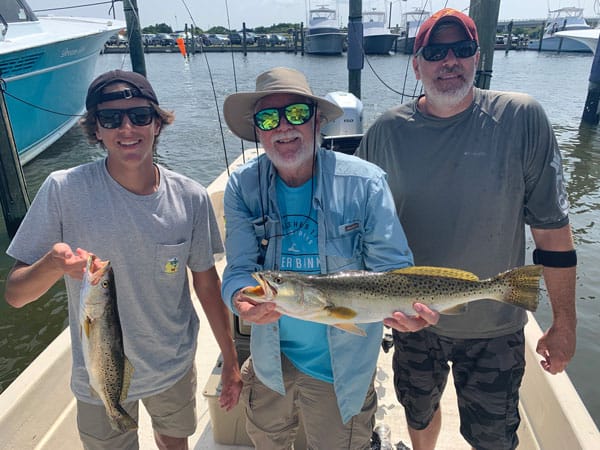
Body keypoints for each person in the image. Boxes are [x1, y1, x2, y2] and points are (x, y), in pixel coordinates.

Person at [356, 8, 577, 450]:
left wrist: (564, 321)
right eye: (436, 51)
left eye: (462, 49)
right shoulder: (384, 132)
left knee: (493, 436)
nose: (449, 61)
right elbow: (359, 225)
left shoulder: (521, 118)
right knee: (418, 410)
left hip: (496, 322)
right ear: (416, 64)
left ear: (479, 57)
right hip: (414, 317)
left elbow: (552, 233)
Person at [4, 69, 242, 450]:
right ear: (95, 129)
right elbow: (16, 295)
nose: (127, 128)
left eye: (140, 116)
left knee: (173, 443)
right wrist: (51, 264)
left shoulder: (192, 197)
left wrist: (230, 360)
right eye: (111, 119)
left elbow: (206, 283)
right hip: (97, 377)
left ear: (157, 124)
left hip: (173, 364)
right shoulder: (63, 189)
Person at [220, 67, 439, 449]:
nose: (284, 128)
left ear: (318, 120)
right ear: (257, 130)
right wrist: (239, 297)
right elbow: (239, 268)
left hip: (342, 369)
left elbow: (394, 272)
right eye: (269, 118)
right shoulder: (242, 185)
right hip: (271, 362)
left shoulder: (367, 183)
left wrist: (412, 312)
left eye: (298, 114)